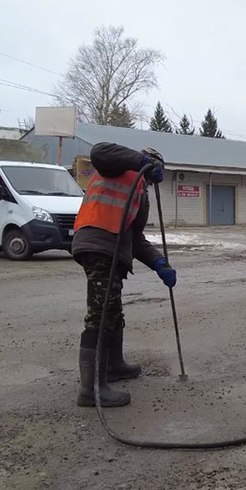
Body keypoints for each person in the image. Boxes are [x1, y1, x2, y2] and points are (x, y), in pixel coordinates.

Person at [71, 143, 177, 407]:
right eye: (154, 169)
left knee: (113, 309)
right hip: (96, 243)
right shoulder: (115, 166)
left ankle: (114, 366)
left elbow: (136, 237)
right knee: (101, 312)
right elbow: (99, 151)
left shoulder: (141, 194)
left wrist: (159, 263)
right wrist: (140, 162)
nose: (153, 178)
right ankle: (90, 389)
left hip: (114, 251)